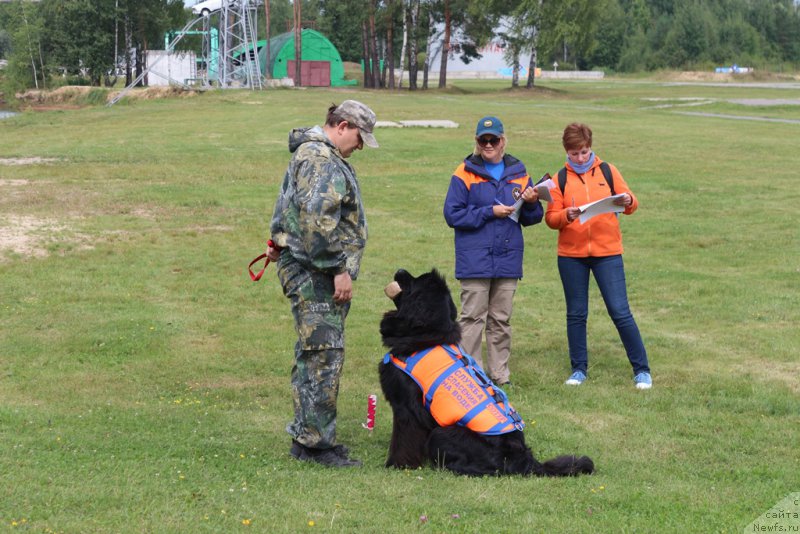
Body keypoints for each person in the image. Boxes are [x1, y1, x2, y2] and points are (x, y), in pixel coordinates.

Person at [267, 100, 378, 467]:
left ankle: (306, 436)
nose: (360, 147)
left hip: (306, 266)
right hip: (315, 272)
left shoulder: (313, 153)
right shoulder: (321, 160)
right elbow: (318, 222)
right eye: (360, 138)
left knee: (311, 354)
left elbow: (293, 210)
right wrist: (338, 270)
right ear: (343, 125)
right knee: (324, 357)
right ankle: (317, 446)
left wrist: (280, 240)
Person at [545, 122, 652, 389]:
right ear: (566, 152)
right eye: (574, 153)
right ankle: (578, 369)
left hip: (608, 253)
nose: (580, 158)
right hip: (571, 256)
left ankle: (642, 370)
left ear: (590, 148)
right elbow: (551, 218)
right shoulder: (559, 179)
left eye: (584, 152)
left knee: (620, 311)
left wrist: (628, 200)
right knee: (576, 314)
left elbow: (631, 203)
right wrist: (565, 216)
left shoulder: (608, 170)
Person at [443, 116, 543, 386]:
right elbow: (452, 214)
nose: (488, 144)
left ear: (503, 140)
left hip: (508, 257)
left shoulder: (519, 172)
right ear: (476, 142)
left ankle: (499, 375)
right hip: (474, 257)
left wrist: (532, 203)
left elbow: (532, 218)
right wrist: (490, 211)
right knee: (472, 318)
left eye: (493, 140)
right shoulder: (464, 172)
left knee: (501, 319)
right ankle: (471, 377)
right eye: (483, 140)